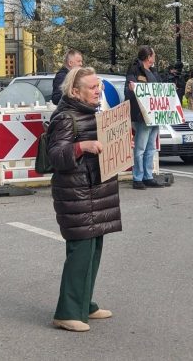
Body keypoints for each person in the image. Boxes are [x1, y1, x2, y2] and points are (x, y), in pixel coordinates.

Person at [47, 66, 121, 333]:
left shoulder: (92, 114)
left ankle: (84, 304)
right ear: (75, 91)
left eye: (98, 85)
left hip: (94, 191)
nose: (98, 90)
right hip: (77, 193)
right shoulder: (66, 118)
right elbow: (56, 155)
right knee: (80, 252)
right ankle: (67, 312)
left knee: (92, 251)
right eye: (92, 87)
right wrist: (82, 147)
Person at [126, 46, 162, 190]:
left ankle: (148, 176)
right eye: (154, 55)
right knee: (140, 148)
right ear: (148, 57)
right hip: (142, 115)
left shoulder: (153, 72)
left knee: (151, 147)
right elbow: (130, 90)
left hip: (154, 115)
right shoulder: (135, 70)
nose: (155, 57)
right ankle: (138, 178)